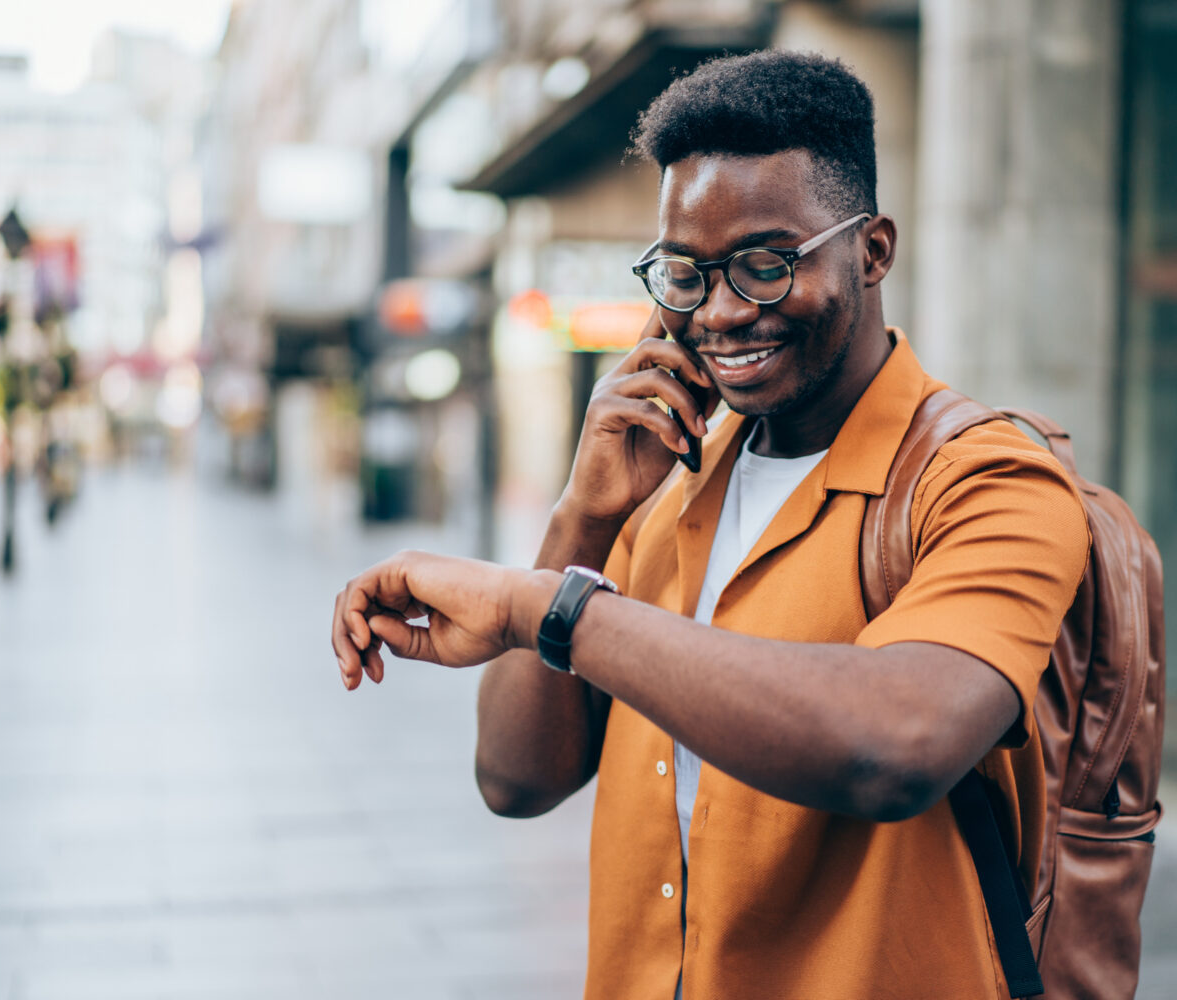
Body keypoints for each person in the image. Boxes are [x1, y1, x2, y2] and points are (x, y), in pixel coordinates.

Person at [331, 50, 1090, 999]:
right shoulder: (665, 491)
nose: (722, 313)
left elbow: (896, 746)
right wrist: (584, 515)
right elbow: (516, 780)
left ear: (873, 249)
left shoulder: (989, 481)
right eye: (685, 275)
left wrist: (547, 610)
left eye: (766, 266)